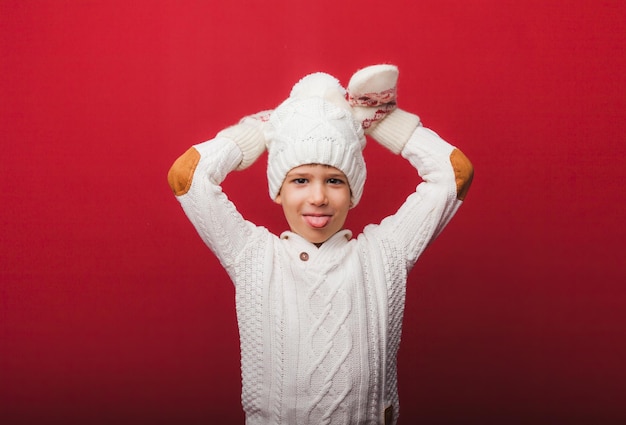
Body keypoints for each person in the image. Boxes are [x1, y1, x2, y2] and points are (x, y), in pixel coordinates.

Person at [167, 64, 473, 425]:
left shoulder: (383, 255)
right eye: (299, 180)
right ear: (278, 190)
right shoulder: (254, 257)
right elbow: (188, 175)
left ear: (352, 192)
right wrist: (262, 131)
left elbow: (454, 173)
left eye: (333, 180)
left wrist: (376, 119)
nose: (318, 197)